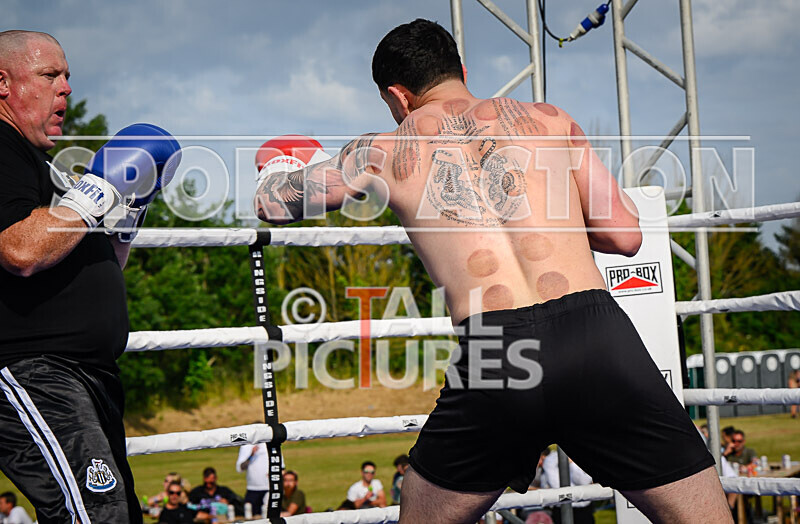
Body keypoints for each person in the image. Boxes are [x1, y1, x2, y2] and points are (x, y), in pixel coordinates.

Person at [254, 18, 731, 524]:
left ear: (397, 97)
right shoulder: (549, 120)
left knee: (419, 509)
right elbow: (625, 236)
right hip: (595, 335)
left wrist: (278, 166)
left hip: (497, 351)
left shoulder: (382, 151)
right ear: (461, 69)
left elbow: (273, 203)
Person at [0, 30, 180, 524]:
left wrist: (124, 218)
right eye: (49, 74)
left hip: (82, 375)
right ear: (2, 83)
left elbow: (89, 269)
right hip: (33, 370)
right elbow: (19, 250)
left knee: (113, 512)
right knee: (94, 514)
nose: (66, 89)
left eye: (68, 76)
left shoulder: (39, 165)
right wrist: (98, 189)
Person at [541, 452, 595, 524]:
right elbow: (555, 485)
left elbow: (583, 481)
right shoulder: (550, 459)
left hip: (583, 507)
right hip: (563, 507)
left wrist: (571, 463)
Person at [236, 440, 269, 511]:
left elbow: (282, 467)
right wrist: (251, 455)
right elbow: (240, 468)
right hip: (253, 489)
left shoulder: (271, 442)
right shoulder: (246, 446)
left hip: (269, 488)